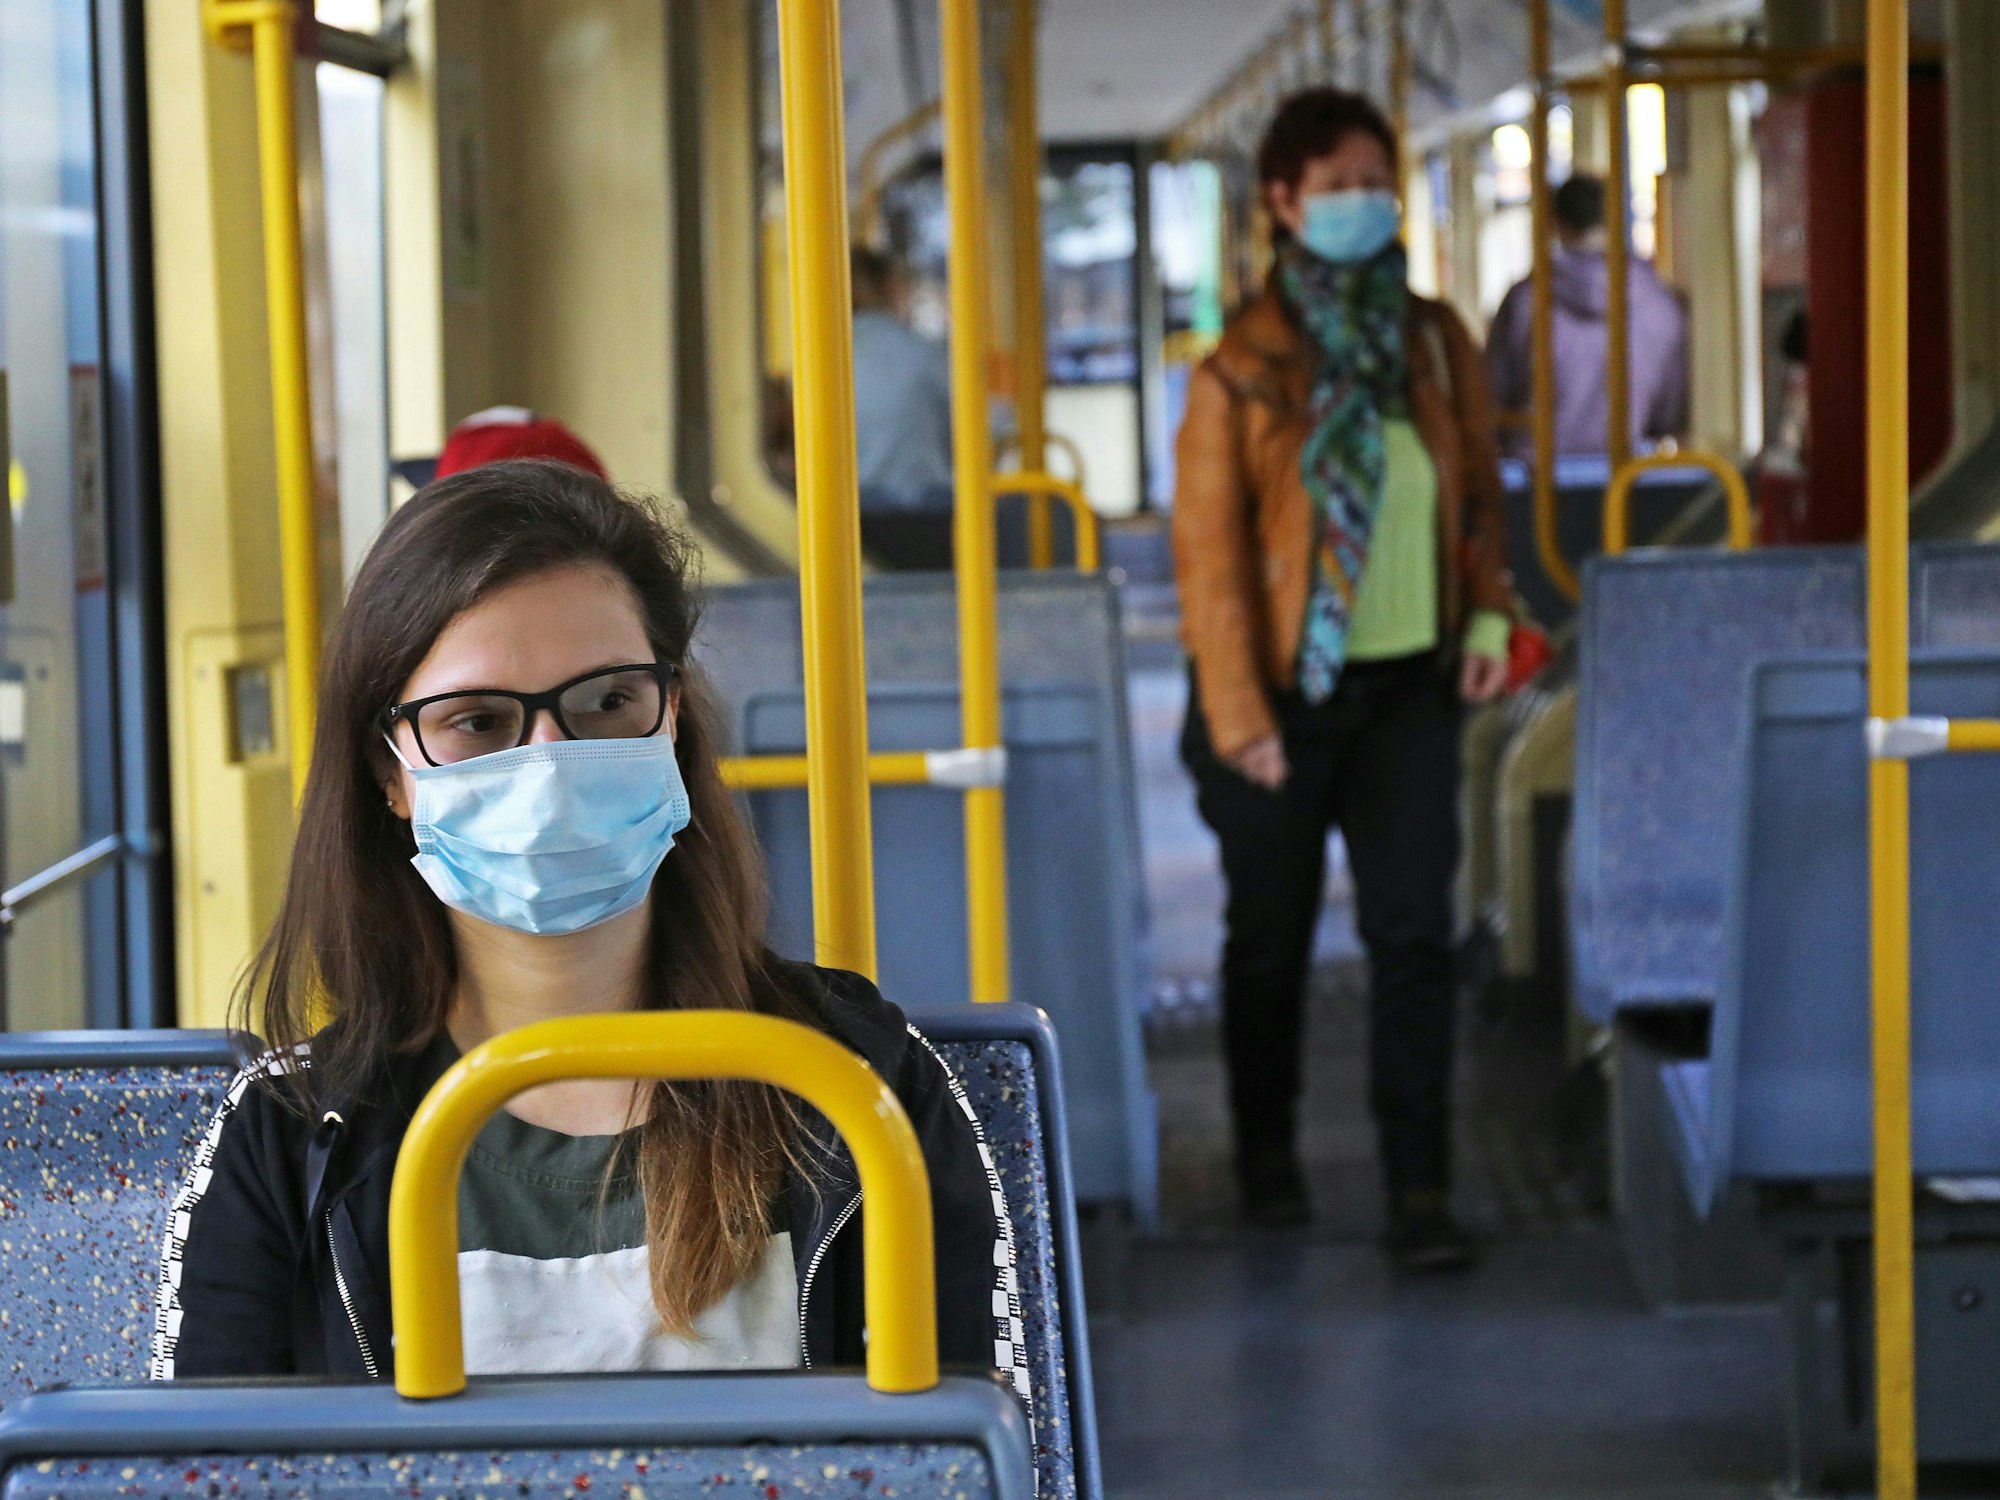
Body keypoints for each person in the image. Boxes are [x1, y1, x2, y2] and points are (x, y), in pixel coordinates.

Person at [150, 460, 1030, 1399]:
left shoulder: (857, 1083)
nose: (551, 763)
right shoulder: (291, 1140)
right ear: (391, 772)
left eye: (607, 702)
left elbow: (981, 1451)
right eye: (478, 722)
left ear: (672, 719)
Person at [1172, 87, 1514, 1268]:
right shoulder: (1237, 375)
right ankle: (1264, 1151)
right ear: (1282, 201)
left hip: (1406, 692)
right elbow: (1210, 564)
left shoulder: (1431, 343)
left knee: (1413, 936)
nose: (1362, 204)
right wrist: (1238, 716)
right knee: (1266, 943)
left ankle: (1418, 1189)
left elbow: (1472, 500)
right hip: (1277, 703)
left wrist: (1488, 615)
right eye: (1336, 186)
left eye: (1375, 181)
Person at [1485, 174, 1690, 460]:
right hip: (1629, 474)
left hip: (1538, 477)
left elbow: (1495, 391)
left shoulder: (1526, 300)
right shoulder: (1659, 305)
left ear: (1555, 223)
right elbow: (1670, 410)